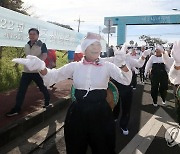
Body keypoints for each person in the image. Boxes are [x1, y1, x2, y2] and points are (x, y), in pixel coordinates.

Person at [12, 32, 132, 154]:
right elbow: (52, 76)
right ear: (84, 48)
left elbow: (126, 80)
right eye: (92, 44)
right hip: (77, 113)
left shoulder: (107, 66)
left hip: (101, 112)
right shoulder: (74, 66)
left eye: (98, 44)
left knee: (104, 148)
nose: (96, 47)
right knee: (75, 148)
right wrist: (40, 67)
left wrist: (122, 64)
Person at [102, 46, 151, 135]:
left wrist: (143, 56)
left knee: (126, 107)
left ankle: (123, 125)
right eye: (118, 51)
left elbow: (139, 64)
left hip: (126, 86)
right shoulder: (112, 59)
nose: (120, 54)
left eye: (122, 51)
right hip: (114, 85)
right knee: (114, 103)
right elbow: (100, 61)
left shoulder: (128, 59)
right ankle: (114, 117)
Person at [6, 28, 50, 117]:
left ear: (38, 35)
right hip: (26, 71)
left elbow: (45, 55)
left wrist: (38, 63)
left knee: (42, 87)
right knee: (21, 90)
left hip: (37, 71)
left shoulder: (42, 44)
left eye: (34, 34)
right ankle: (17, 109)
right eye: (30, 34)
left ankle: (47, 101)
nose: (32, 35)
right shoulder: (26, 45)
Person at [162, 41, 180, 124]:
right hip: (177, 87)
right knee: (178, 105)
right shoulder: (175, 59)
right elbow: (167, 62)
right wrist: (164, 53)